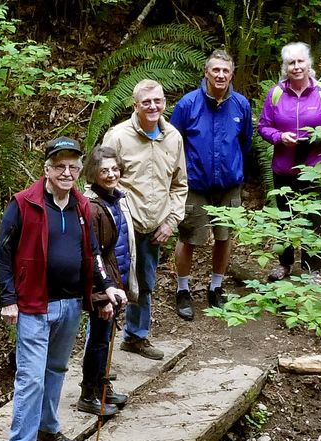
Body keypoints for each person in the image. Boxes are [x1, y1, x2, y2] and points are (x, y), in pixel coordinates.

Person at [0, 137, 128, 441]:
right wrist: (8, 298)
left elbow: (95, 253)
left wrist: (106, 286)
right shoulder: (24, 204)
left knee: (55, 370)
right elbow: (3, 254)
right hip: (35, 304)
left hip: (70, 303)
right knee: (30, 377)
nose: (66, 172)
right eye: (59, 166)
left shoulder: (83, 206)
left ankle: (47, 428)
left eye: (73, 166)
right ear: (47, 169)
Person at [100, 79, 188, 360]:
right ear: (135, 105)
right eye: (146, 102)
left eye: (158, 101)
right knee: (110, 288)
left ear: (165, 103)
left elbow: (179, 185)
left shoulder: (173, 137)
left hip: (154, 229)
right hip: (120, 228)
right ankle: (100, 354)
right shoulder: (117, 137)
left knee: (145, 284)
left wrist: (171, 221)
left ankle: (136, 337)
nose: (153, 107)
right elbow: (100, 181)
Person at [169, 50, 253, 318]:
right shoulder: (188, 104)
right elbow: (174, 142)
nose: (220, 75)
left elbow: (245, 143)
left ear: (232, 75)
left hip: (229, 185)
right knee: (190, 237)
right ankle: (183, 289)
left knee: (224, 237)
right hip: (195, 184)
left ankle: (215, 287)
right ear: (206, 72)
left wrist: (233, 169)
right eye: (215, 70)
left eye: (225, 71)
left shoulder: (241, 105)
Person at [258, 42, 321, 285]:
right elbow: (264, 126)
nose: (296, 67)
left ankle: (312, 268)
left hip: (314, 168)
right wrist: (278, 137)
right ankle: (284, 263)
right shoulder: (276, 93)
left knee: (313, 218)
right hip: (284, 166)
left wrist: (320, 137)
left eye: (300, 62)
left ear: (309, 64)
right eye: (291, 63)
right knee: (285, 217)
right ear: (285, 67)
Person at [78, 145, 136, 419]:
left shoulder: (116, 200)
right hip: (103, 286)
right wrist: (103, 294)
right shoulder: (93, 208)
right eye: (104, 171)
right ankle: (88, 393)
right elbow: (93, 255)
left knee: (105, 338)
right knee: (99, 340)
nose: (111, 174)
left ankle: (102, 385)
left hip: (117, 279)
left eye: (114, 169)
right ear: (93, 174)